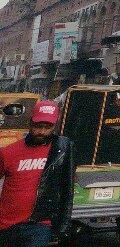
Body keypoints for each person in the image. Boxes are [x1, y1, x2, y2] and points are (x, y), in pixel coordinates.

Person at [0, 101, 74, 247]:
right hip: (6, 225)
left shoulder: (60, 152)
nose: (42, 131)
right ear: (30, 122)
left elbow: (67, 189)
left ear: (55, 126)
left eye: (48, 127)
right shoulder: (8, 152)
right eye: (38, 126)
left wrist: (63, 225)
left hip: (39, 225)